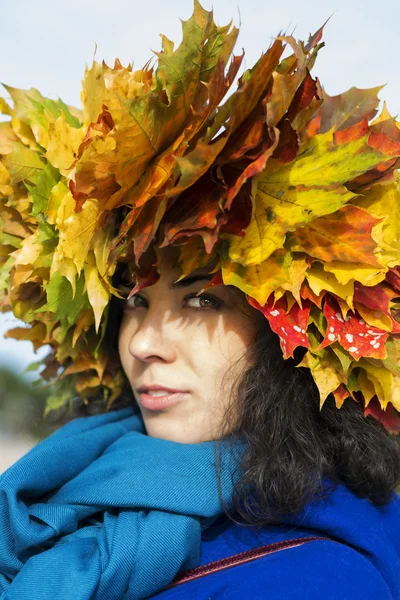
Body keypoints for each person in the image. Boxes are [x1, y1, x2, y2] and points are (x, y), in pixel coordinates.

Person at [1, 2, 400, 598]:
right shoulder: (65, 485)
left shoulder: (322, 578)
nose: (143, 342)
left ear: (287, 337)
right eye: (132, 301)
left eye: (203, 302)